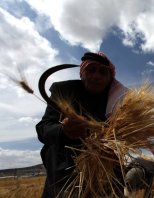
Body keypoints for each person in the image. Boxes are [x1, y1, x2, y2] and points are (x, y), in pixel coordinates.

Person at [36, 52, 128, 197]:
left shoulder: (119, 101)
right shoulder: (63, 90)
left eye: (103, 72)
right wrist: (63, 131)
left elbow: (126, 136)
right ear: (81, 73)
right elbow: (43, 129)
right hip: (64, 167)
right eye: (91, 70)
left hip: (105, 167)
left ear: (110, 79)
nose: (96, 76)